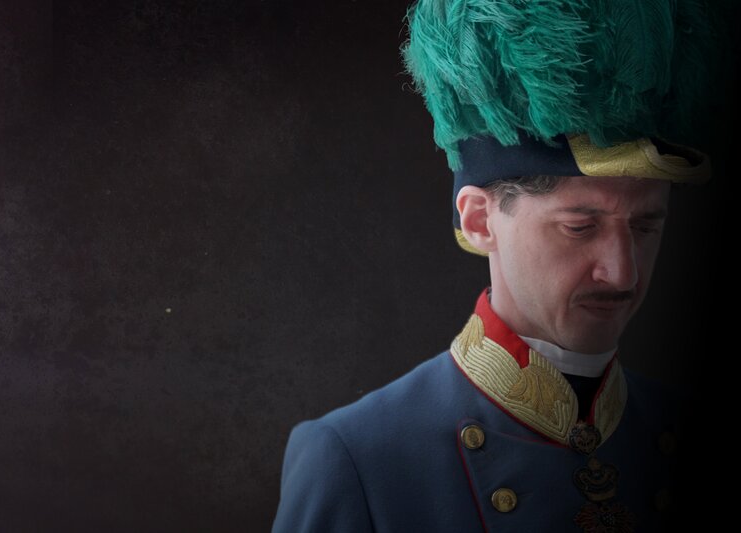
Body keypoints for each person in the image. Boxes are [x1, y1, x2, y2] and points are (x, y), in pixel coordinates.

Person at [273, 1, 721, 531]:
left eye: (645, 227)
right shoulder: (356, 458)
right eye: (580, 227)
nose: (623, 273)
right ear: (480, 220)